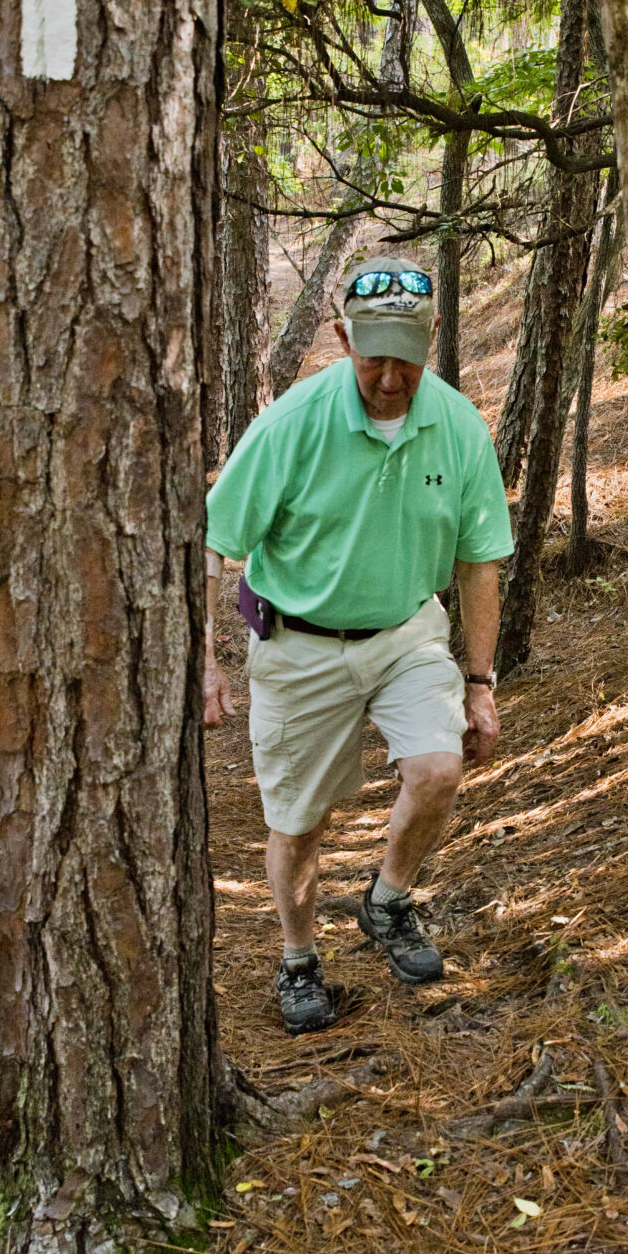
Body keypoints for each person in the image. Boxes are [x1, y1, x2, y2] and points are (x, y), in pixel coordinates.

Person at [204, 255, 513, 1034]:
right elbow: (210, 538)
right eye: (372, 356)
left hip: (407, 627)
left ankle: (388, 899)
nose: (388, 376)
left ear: (432, 338)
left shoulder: (458, 426)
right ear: (343, 339)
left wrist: (479, 681)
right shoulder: (291, 426)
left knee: (439, 768)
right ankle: (300, 957)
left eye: (404, 358)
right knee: (299, 820)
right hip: (300, 641)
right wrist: (200, 658)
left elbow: (479, 562)